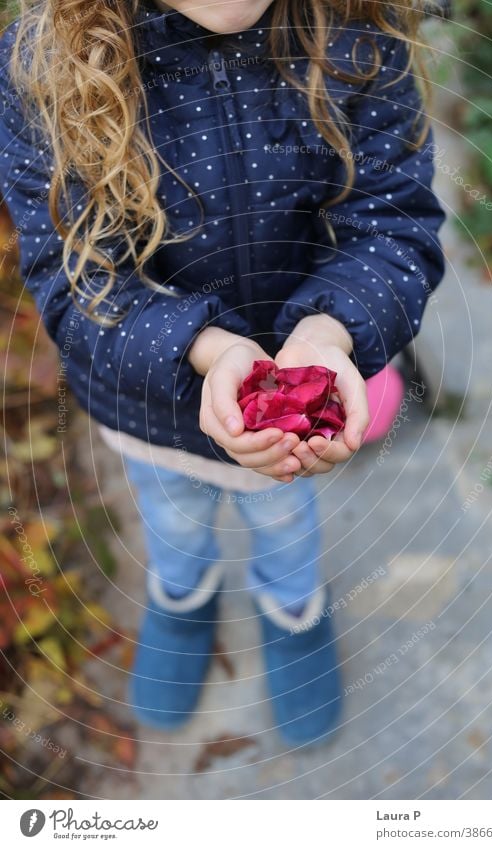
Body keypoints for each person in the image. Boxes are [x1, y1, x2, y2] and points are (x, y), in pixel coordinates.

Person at [0, 0, 445, 745]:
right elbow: (73, 278)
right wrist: (205, 348)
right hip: (147, 407)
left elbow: (393, 223)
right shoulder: (41, 65)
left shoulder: (359, 32)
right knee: (172, 518)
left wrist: (330, 333)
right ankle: (182, 596)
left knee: (283, 522)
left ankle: (293, 612)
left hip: (290, 423)